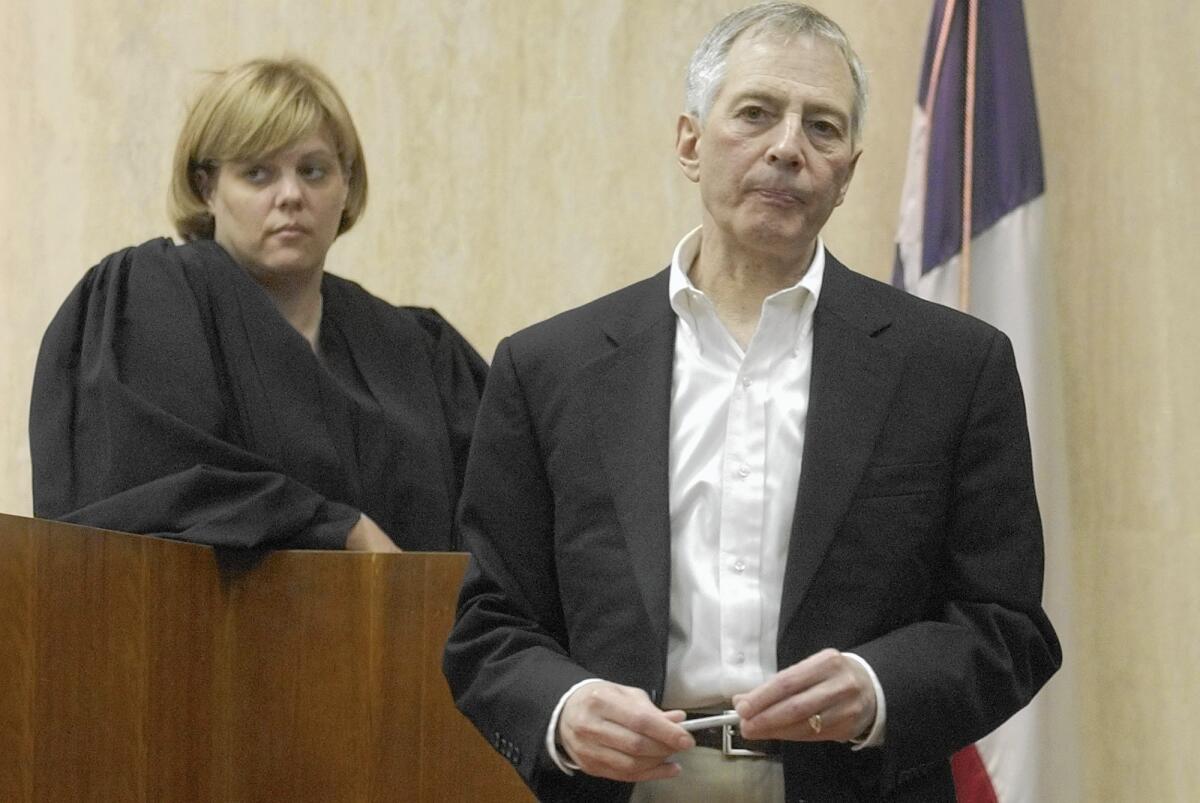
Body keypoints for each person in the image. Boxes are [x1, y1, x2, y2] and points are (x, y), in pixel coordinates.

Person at [442, 3, 1060, 801]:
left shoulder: (953, 366)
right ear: (691, 142)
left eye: (823, 128)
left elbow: (1008, 624)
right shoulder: (547, 368)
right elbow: (489, 626)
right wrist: (562, 708)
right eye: (757, 113)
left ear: (848, 171)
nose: (787, 147)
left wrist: (877, 687)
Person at [30, 58, 486, 552]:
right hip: (203, 626)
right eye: (257, 174)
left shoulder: (416, 351)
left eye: (313, 171)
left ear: (346, 182)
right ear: (208, 188)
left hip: (412, 629)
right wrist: (342, 530)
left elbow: (502, 522)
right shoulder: (149, 299)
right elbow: (145, 494)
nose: (290, 195)